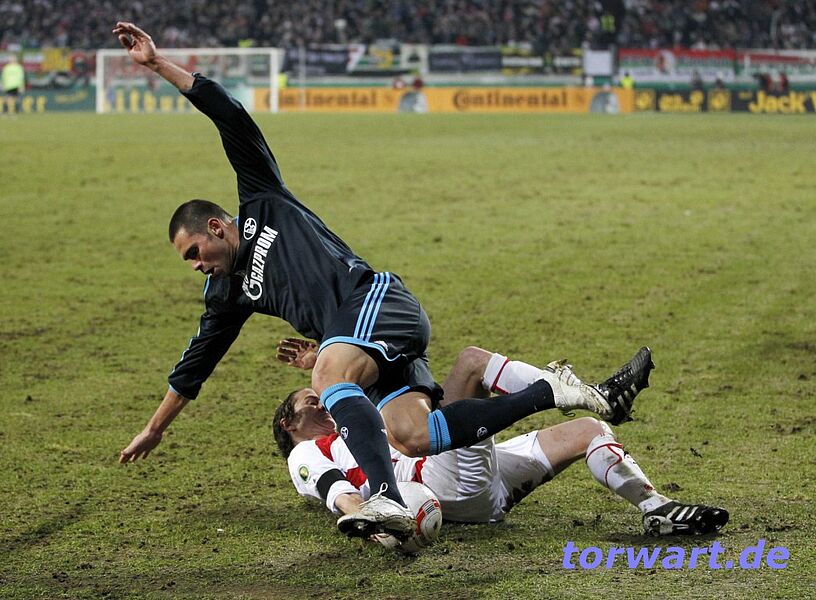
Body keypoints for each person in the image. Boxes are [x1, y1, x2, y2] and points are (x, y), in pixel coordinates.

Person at [112, 21, 649, 541]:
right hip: (365, 344)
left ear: (215, 227)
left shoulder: (262, 200)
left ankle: (387, 499)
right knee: (413, 436)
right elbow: (195, 366)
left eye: (194, 253)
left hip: (375, 300)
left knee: (327, 372)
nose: (196, 265)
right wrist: (155, 428)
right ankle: (548, 390)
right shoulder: (228, 292)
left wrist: (158, 64)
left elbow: (229, 115)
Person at [275, 343, 729, 540]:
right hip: (440, 483)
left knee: (589, 433)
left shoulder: (356, 421)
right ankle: (587, 393)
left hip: (475, 486)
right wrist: (378, 529)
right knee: (471, 364)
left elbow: (372, 386)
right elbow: (339, 494)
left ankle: (657, 509)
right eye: (311, 402)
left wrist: (325, 360)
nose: (325, 405)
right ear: (288, 423)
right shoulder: (306, 453)